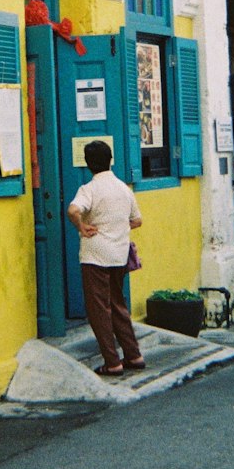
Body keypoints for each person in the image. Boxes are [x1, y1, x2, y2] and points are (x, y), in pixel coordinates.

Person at [67, 140, 145, 377]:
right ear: (111, 159)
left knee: (99, 309)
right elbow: (137, 220)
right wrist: (119, 225)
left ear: (88, 164)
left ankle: (112, 362)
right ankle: (134, 354)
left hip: (95, 255)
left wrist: (81, 226)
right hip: (119, 254)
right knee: (118, 304)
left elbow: (73, 210)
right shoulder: (124, 188)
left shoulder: (88, 189)